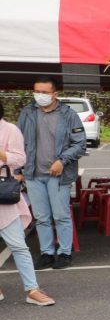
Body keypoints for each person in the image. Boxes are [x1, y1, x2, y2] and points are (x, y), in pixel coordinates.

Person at [16, 76, 86, 270]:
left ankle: (65, 252)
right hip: (33, 174)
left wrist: (62, 161)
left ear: (55, 94)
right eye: (37, 91)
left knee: (61, 215)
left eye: (44, 92)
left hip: (58, 175)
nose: (40, 96)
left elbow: (80, 143)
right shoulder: (28, 113)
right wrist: (18, 170)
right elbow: (17, 142)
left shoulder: (68, 114)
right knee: (41, 217)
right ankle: (46, 252)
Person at [0, 100, 55, 305]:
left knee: (18, 245)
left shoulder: (10, 130)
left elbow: (19, 159)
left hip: (3, 196)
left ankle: (32, 289)